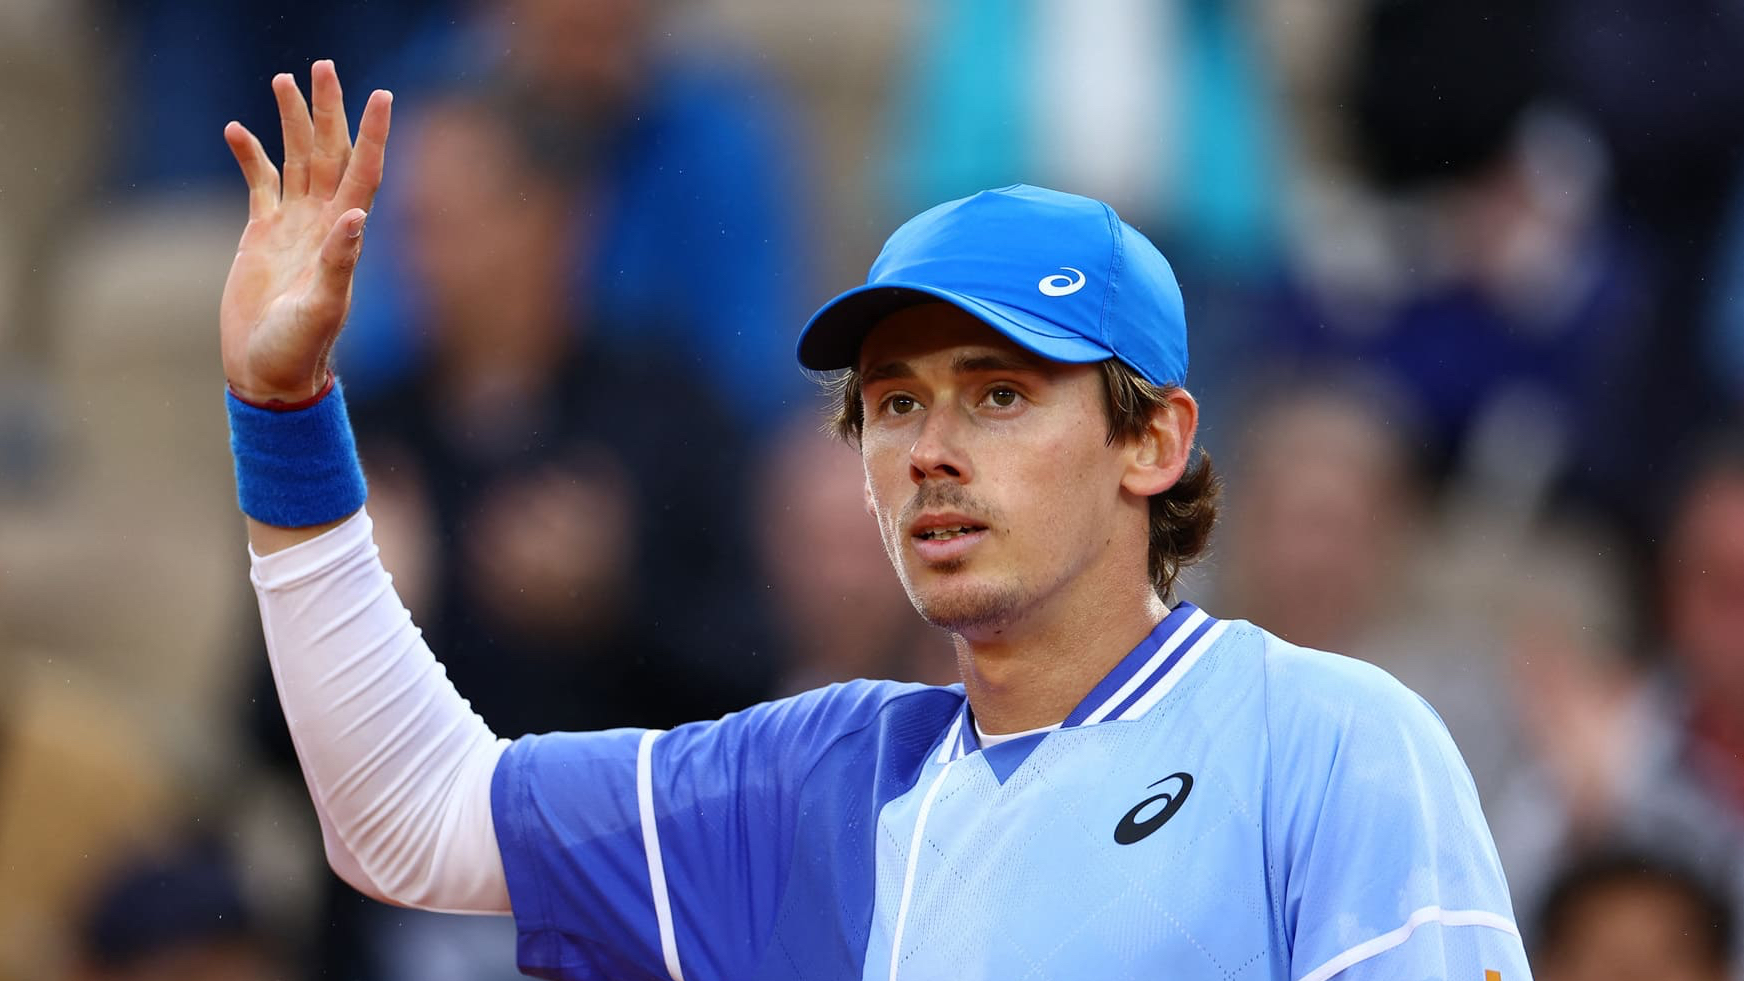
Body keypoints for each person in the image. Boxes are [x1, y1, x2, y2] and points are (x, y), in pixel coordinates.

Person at [221, 64, 1533, 979]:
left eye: (1002, 393)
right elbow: (410, 813)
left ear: (1155, 439)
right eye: (896, 403)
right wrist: (285, 411)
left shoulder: (1326, 738)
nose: (935, 450)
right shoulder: (809, 780)